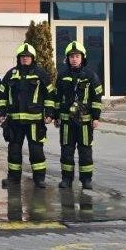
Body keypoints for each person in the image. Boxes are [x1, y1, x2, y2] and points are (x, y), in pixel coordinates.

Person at [0, 43, 54, 189]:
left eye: (27, 56)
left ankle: (39, 179)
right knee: (14, 151)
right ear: (18, 58)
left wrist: (50, 113)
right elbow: (1, 94)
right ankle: (13, 179)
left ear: (33, 58)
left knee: (36, 151)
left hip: (35, 121)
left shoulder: (41, 74)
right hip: (14, 121)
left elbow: (50, 94)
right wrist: (1, 113)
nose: (25, 59)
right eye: (22, 56)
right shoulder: (11, 74)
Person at [52, 41, 104, 190]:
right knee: (67, 151)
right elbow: (57, 99)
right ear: (67, 59)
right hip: (67, 122)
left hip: (85, 122)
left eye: (77, 56)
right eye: (71, 56)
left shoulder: (91, 76)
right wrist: (56, 116)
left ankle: (86, 180)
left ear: (82, 58)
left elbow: (97, 98)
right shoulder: (62, 76)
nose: (74, 59)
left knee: (85, 151)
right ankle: (66, 179)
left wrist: (96, 117)